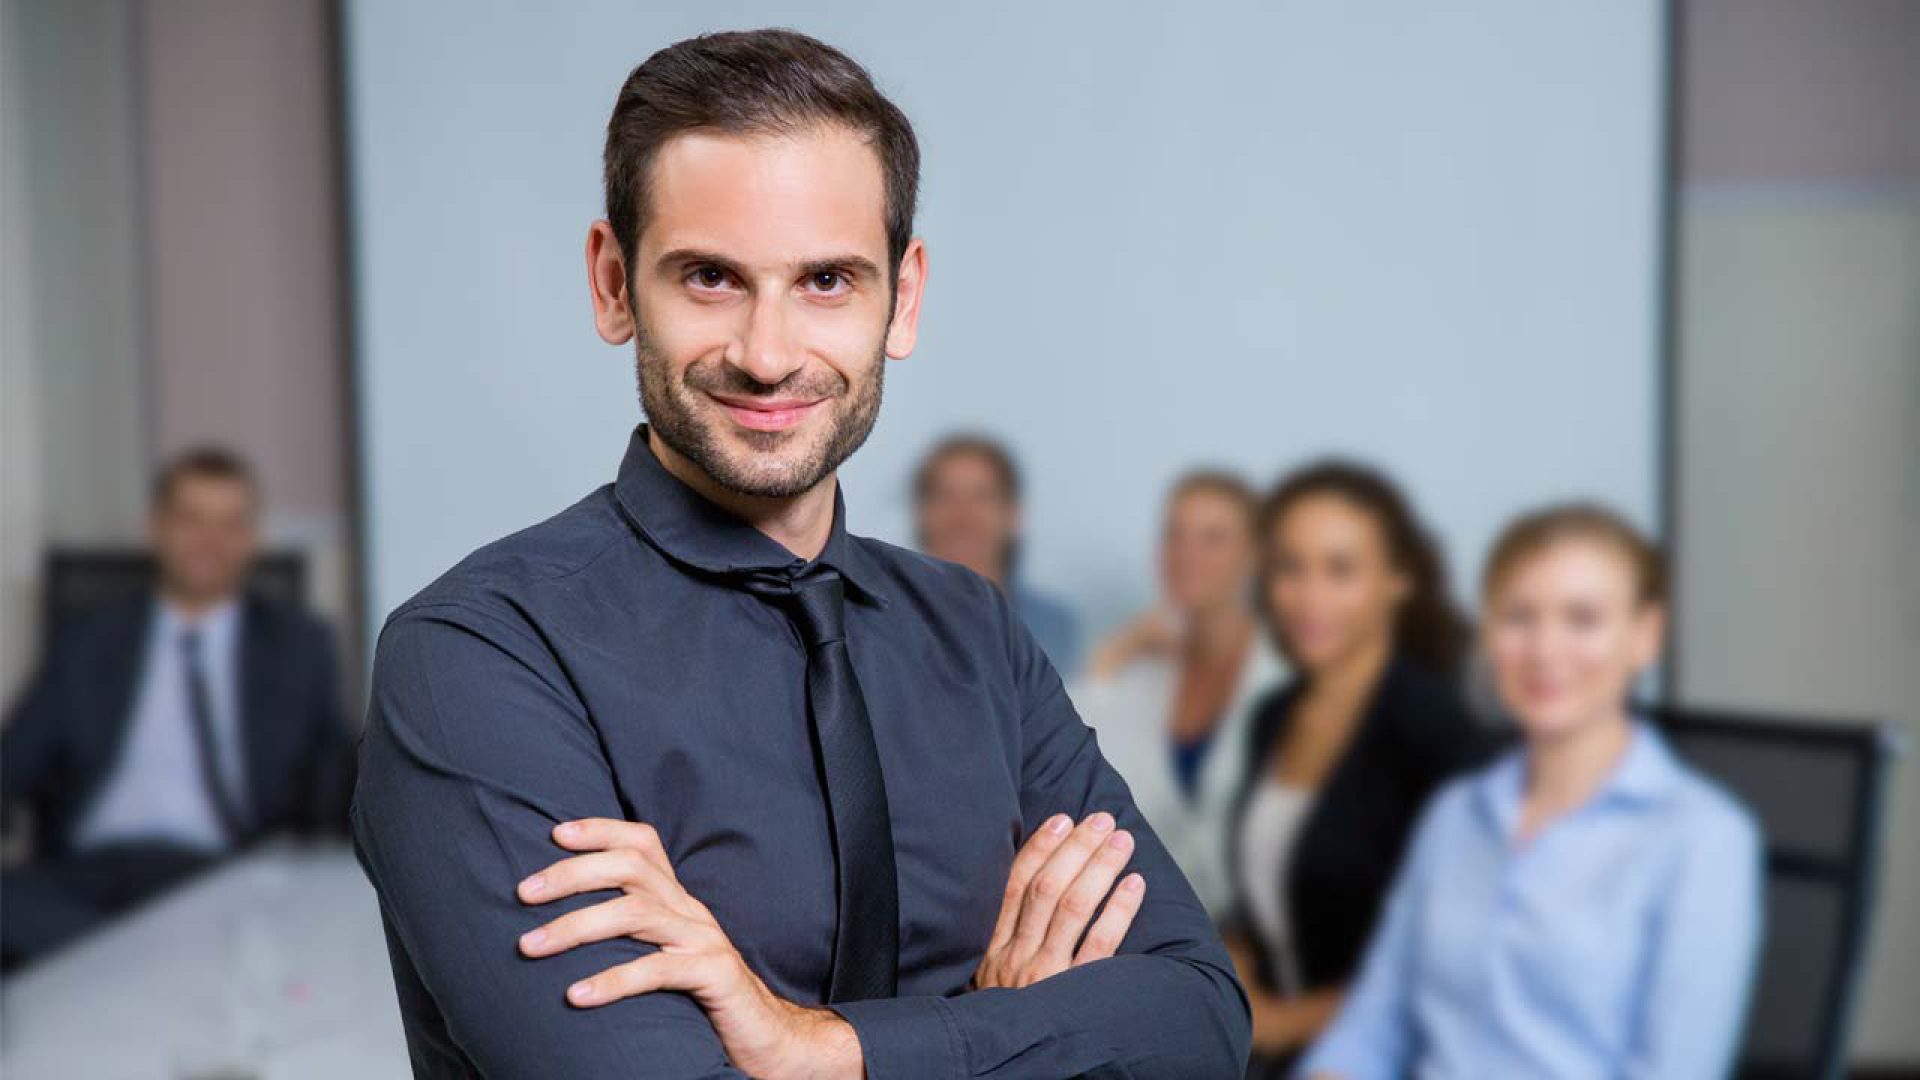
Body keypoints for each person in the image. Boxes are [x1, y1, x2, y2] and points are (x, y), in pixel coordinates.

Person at [350, 29, 1249, 1080]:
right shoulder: (477, 658)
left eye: (826, 279)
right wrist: (1003, 1040)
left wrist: (822, 1049)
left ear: (900, 301)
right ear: (612, 283)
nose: (768, 354)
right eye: (710, 278)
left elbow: (1198, 1025)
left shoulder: (975, 638)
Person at [1301, 504, 1763, 1079]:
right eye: (1519, 616)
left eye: (1582, 618)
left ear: (1645, 637)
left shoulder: (1703, 836)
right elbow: (1373, 1026)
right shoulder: (1456, 813)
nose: (1545, 650)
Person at [1, 448, 352, 970]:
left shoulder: (299, 649)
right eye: (191, 519)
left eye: (231, 523)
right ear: (157, 528)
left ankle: (122, 964)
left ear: (252, 539)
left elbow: (337, 786)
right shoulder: (89, 642)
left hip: (219, 877)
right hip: (83, 878)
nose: (210, 541)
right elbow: (12, 764)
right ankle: (138, 960)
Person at [1225, 462, 1485, 1076]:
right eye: (1291, 567)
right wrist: (1230, 957)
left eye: (1340, 570)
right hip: (1277, 1049)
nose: (1309, 596)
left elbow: (1453, 951)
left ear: (1398, 580)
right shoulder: (1273, 715)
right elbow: (1266, 893)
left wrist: (1287, 1023)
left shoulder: (1432, 726)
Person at [1074, 471, 1285, 921]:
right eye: (1175, 535)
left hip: (1257, 938)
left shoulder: (1281, 676)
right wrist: (1113, 655)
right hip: (1149, 931)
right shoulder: (1145, 678)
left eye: (1213, 538)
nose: (1187, 555)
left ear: (1253, 555)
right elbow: (1070, 768)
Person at [913, 433, 1083, 677]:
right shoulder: (881, 626)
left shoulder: (1055, 630)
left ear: (1014, 515)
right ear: (921, 514)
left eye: (981, 497)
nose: (961, 516)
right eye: (944, 497)